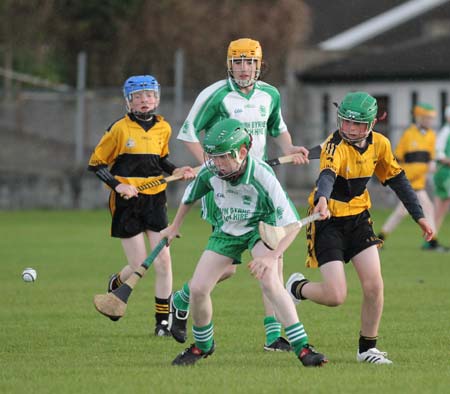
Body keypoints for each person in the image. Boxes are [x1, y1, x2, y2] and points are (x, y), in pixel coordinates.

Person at [171, 37, 310, 351]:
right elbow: (188, 133)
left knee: (273, 260)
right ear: (229, 64)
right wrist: (212, 167)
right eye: (238, 62)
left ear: (259, 64)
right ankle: (184, 297)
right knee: (229, 268)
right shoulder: (216, 95)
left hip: (257, 182)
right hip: (226, 186)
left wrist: (290, 148)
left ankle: (274, 336)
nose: (244, 68)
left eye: (250, 62)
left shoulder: (270, 94)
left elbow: (276, 128)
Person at [283, 92, 434, 364]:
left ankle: (367, 349)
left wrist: (419, 216)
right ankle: (297, 288)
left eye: (358, 125)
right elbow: (326, 177)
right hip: (327, 221)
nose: (350, 129)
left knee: (375, 286)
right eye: (346, 123)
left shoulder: (381, 145)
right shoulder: (334, 145)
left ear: (372, 124)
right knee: (335, 296)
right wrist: (322, 200)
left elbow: (398, 180)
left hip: (359, 219)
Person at [162, 119, 327, 367]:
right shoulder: (211, 172)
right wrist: (175, 226)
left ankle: (302, 348)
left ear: (241, 152)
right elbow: (189, 196)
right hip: (227, 231)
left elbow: (292, 224)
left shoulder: (262, 175)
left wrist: (271, 257)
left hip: (259, 228)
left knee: (271, 281)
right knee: (198, 289)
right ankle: (202, 346)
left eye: (222, 158)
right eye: (213, 157)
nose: (216, 164)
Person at [88, 75, 196, 336]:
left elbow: (160, 161)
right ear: (129, 101)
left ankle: (163, 323)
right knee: (139, 265)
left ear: (157, 98)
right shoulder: (119, 129)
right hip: (127, 201)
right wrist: (119, 186)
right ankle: (116, 281)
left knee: (163, 261)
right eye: (138, 97)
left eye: (149, 95)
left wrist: (177, 169)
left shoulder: (164, 128)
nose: (144, 101)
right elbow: (96, 164)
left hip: (155, 198)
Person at [377, 103, 446, 251]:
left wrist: (431, 163)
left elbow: (430, 157)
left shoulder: (431, 135)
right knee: (422, 208)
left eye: (431, 119)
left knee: (407, 211)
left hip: (419, 182)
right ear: (419, 117)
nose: (429, 121)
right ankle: (432, 242)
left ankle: (380, 239)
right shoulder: (409, 134)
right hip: (408, 181)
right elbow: (398, 157)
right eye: (426, 118)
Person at [433, 105, 450, 237]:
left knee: (439, 208)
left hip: (445, 173)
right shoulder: (446, 131)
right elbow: (438, 154)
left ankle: (432, 236)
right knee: (440, 208)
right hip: (444, 173)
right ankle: (432, 236)